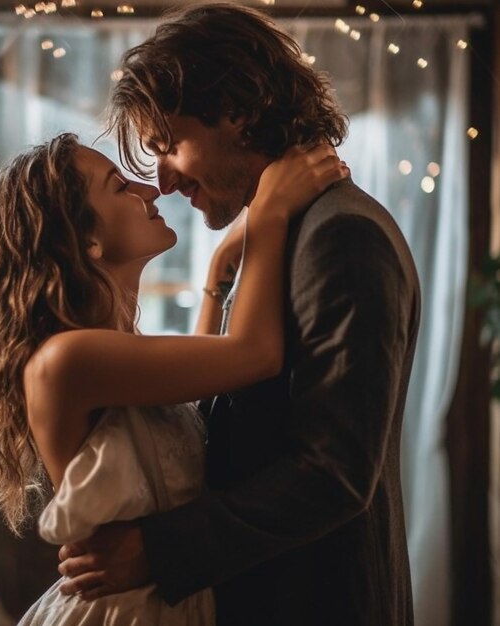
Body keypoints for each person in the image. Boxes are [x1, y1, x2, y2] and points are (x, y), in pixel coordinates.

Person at [57, 4, 421, 626]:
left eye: (170, 145)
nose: (163, 183)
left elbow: (333, 472)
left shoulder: (340, 236)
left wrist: (157, 550)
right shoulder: (284, 236)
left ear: (240, 113)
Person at [0, 132, 347, 625]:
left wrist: (220, 267)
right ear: (86, 239)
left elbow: (210, 388)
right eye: (119, 187)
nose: (150, 190)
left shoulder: (110, 352)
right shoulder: (68, 359)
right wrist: (268, 212)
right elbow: (253, 355)